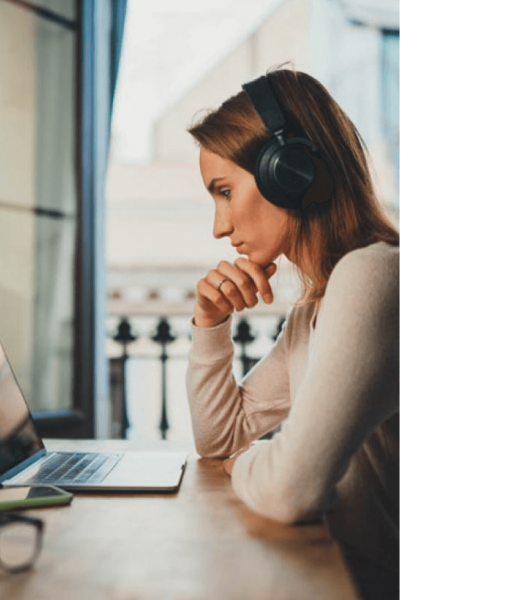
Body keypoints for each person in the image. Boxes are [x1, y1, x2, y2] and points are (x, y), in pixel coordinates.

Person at [186, 68, 400, 598]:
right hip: (337, 577)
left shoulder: (372, 275)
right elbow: (220, 438)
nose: (219, 226)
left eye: (225, 191)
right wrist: (210, 325)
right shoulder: (317, 309)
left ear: (292, 171)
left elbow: (289, 491)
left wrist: (250, 464)